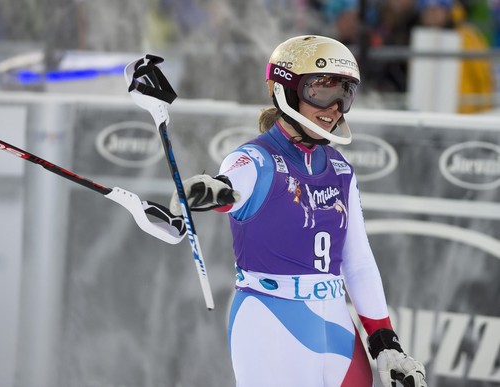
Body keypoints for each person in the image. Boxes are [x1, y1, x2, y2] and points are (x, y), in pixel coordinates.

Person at [169, 35, 428, 386]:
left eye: (345, 93)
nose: (335, 106)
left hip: (336, 326)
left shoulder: (340, 168)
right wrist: (212, 192)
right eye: (322, 91)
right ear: (285, 92)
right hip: (271, 323)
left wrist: (384, 341)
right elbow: (232, 187)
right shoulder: (256, 159)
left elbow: (358, 261)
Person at [417, 0, 495, 113]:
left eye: (437, 10)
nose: (432, 16)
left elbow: (482, 76)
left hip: (466, 110)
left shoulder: (467, 37)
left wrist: (485, 110)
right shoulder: (422, 38)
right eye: (428, 11)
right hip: (431, 110)